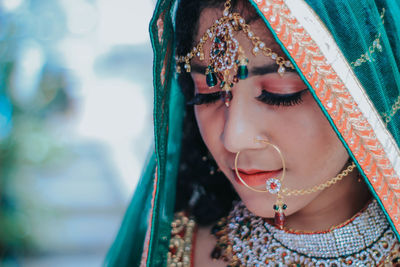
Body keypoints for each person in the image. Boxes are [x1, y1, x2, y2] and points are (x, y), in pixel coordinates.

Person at [105, 0, 400, 266]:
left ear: (367, 92)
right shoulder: (173, 252)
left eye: (280, 94)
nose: (234, 138)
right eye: (207, 94)